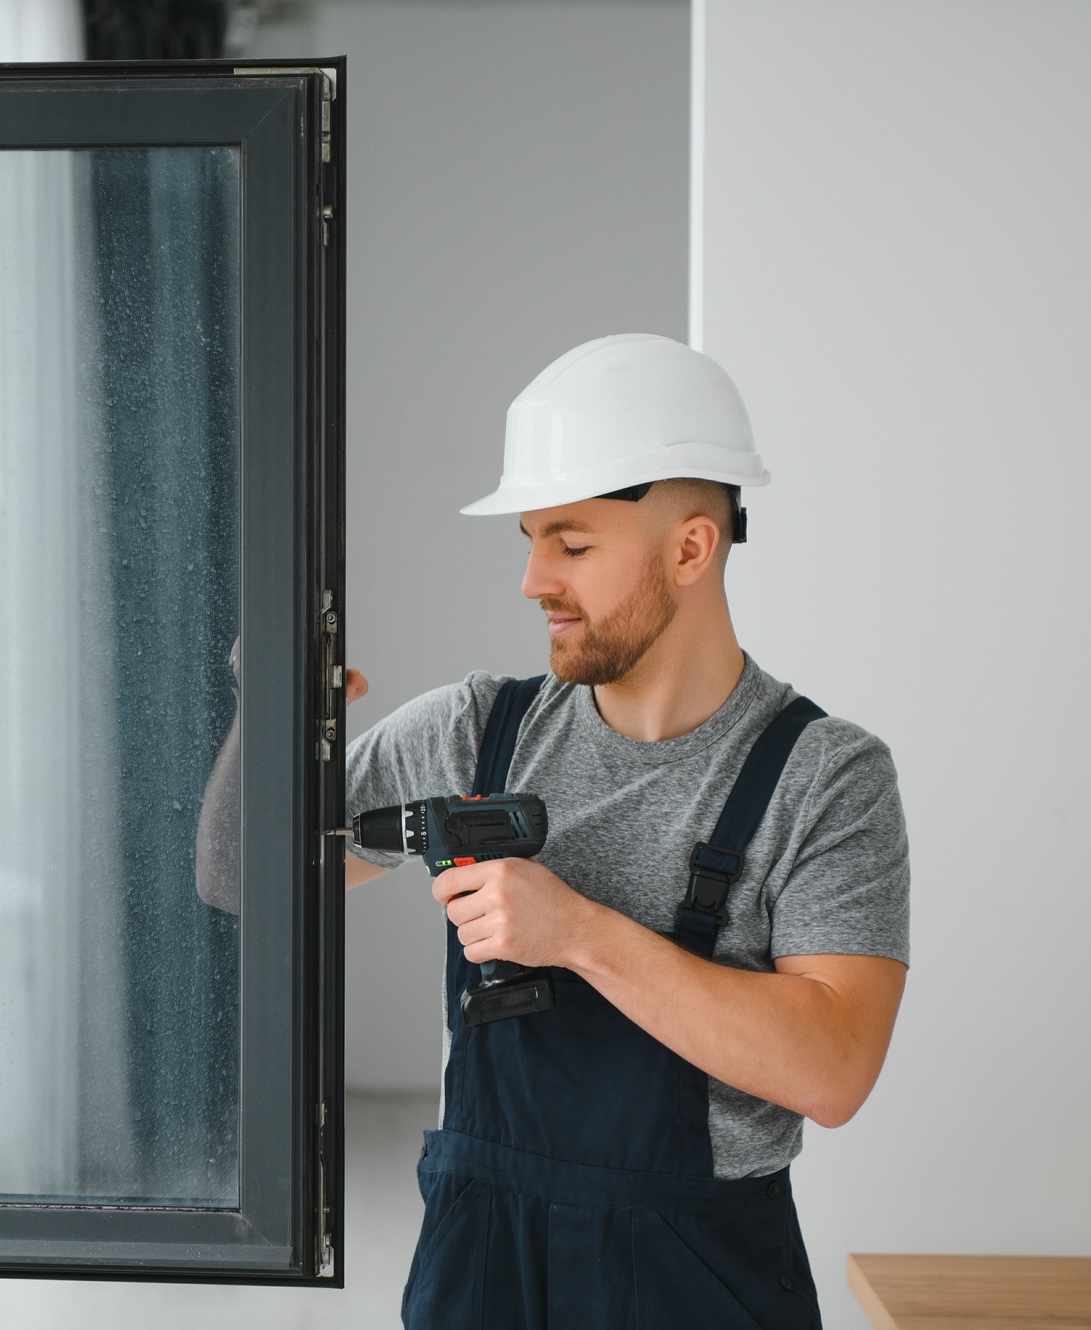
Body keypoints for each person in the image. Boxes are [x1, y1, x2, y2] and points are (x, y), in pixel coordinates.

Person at [341, 334, 911, 1330]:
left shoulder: (825, 775)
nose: (530, 579)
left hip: (696, 1285)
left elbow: (833, 1069)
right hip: (485, 1266)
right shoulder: (475, 733)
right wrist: (257, 710)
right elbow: (246, 883)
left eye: (569, 543)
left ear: (690, 548)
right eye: (527, 539)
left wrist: (577, 934)